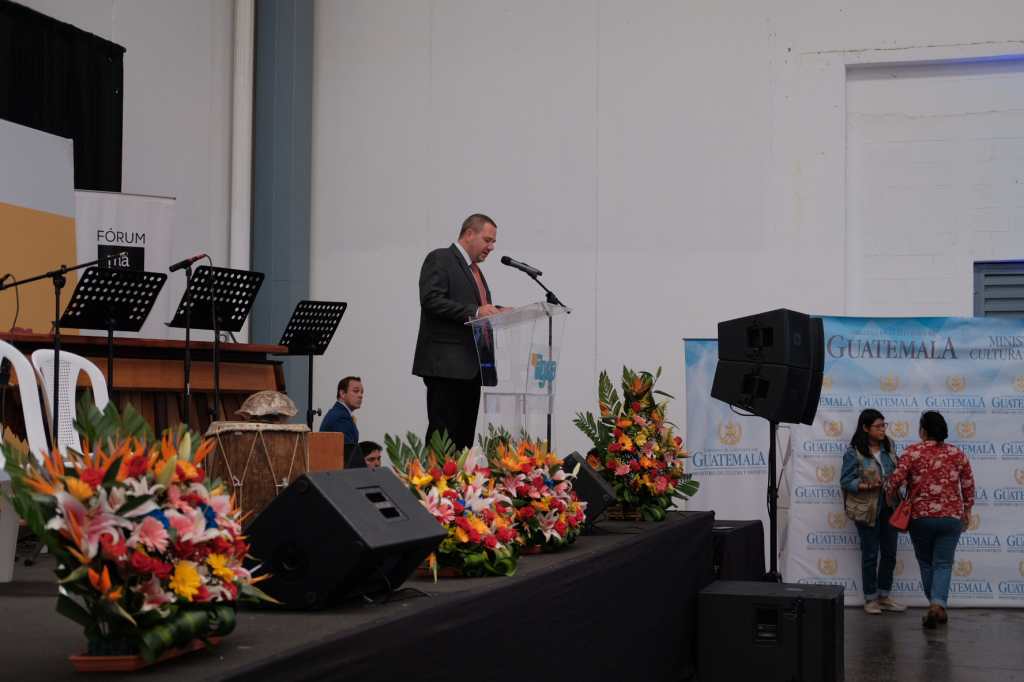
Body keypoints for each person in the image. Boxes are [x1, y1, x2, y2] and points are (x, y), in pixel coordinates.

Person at [412, 213, 500, 451]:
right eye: (487, 240)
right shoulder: (440, 258)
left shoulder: (475, 271)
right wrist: (476, 311)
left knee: (463, 444)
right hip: (447, 368)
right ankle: (436, 477)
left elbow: (476, 309)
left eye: (493, 242)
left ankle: (460, 477)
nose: (491, 247)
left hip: (473, 370)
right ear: (469, 234)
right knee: (443, 440)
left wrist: (498, 312)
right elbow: (431, 300)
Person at [884, 410, 975, 628]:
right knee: (943, 564)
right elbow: (968, 485)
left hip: (921, 518)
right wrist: (967, 510)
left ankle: (935, 606)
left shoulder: (912, 452)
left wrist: (891, 498)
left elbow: (893, 482)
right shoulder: (957, 454)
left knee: (926, 563)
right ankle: (937, 605)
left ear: (923, 431)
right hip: (951, 518)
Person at [840, 409, 906, 615]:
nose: (882, 429)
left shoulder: (890, 445)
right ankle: (870, 599)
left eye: (884, 425)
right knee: (870, 555)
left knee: (890, 553)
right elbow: (846, 481)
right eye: (878, 426)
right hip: (866, 509)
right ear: (865, 428)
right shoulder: (854, 452)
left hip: (890, 506)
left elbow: (898, 470)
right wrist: (867, 486)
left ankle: (884, 596)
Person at [320, 376, 362, 448]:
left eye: (361, 392)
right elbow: (348, 451)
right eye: (356, 391)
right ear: (342, 393)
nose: (360, 395)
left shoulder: (338, 413)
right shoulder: (341, 417)